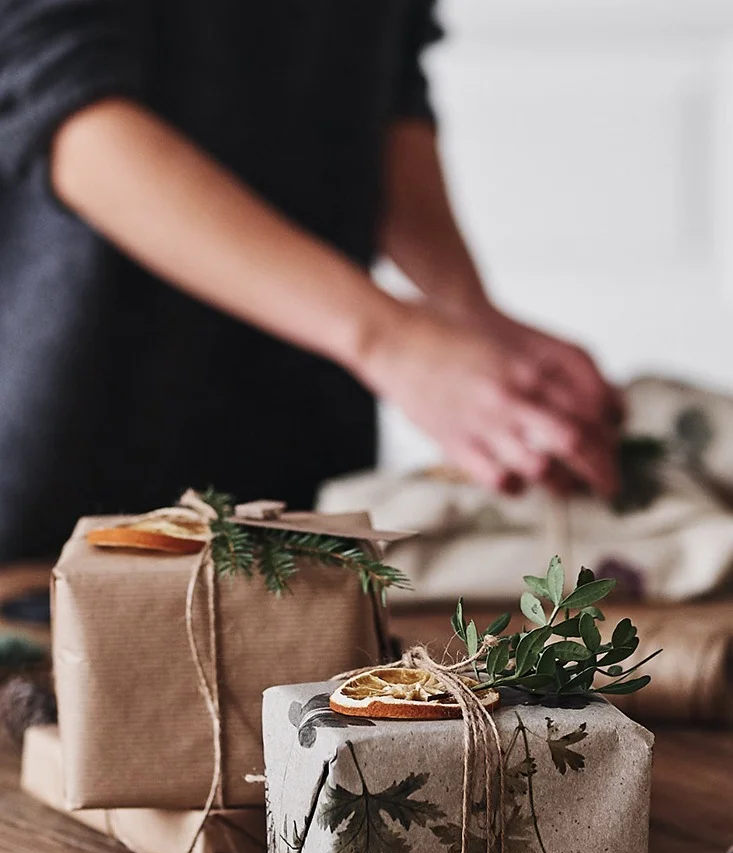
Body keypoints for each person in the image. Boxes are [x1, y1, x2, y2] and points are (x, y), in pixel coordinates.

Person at [0, 1, 621, 562]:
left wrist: (466, 315)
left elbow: (385, 99)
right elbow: (75, 124)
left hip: (299, 454)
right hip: (70, 441)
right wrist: (394, 341)